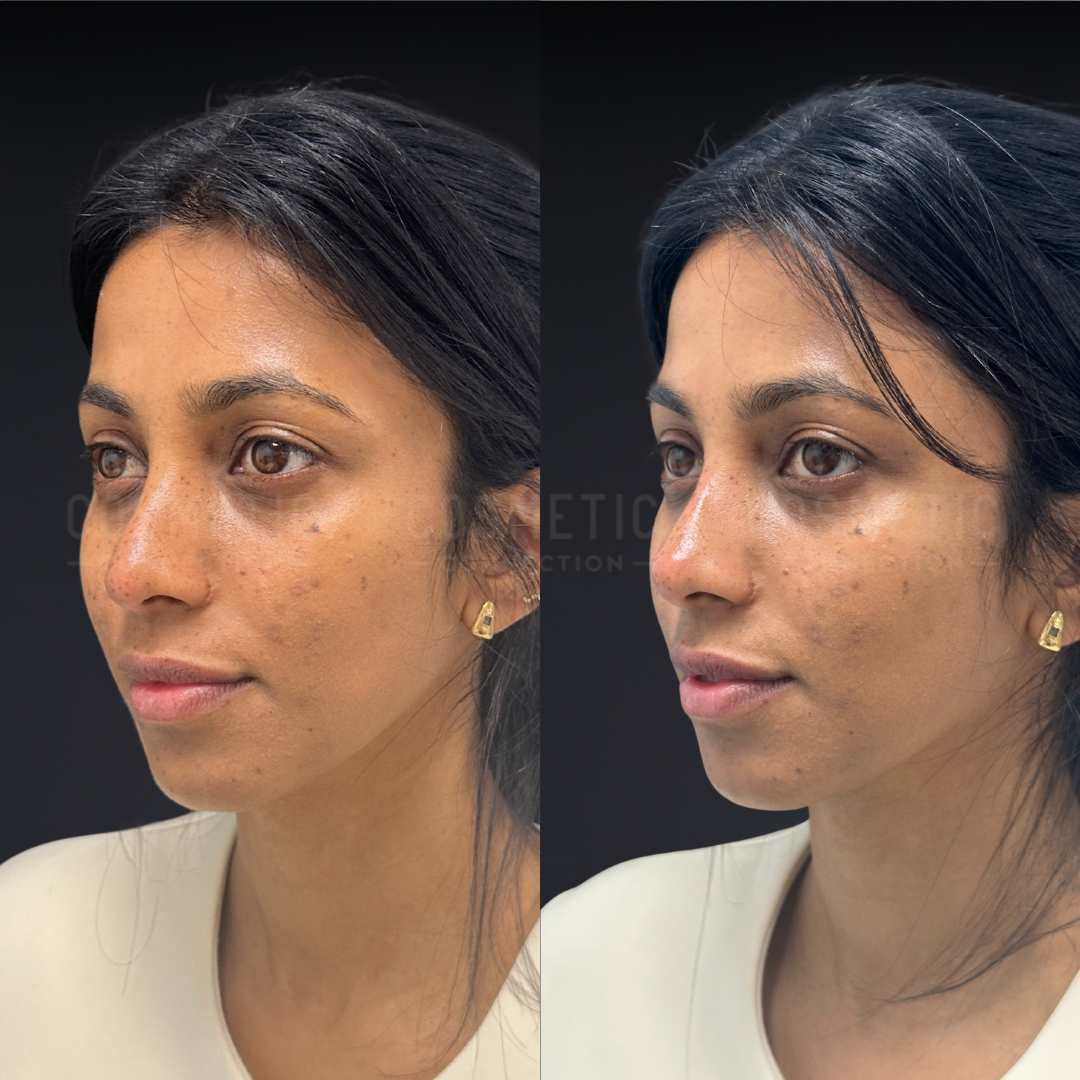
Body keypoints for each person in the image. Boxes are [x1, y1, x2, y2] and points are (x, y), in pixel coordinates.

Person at [542, 79, 1080, 1079]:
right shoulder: (582, 979)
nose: (686, 563)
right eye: (679, 457)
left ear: (1064, 557)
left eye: (819, 458)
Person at [0, 86, 540, 1080]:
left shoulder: (656, 1013)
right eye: (116, 459)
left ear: (510, 548)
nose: (137, 568)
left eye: (270, 455)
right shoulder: (26, 956)